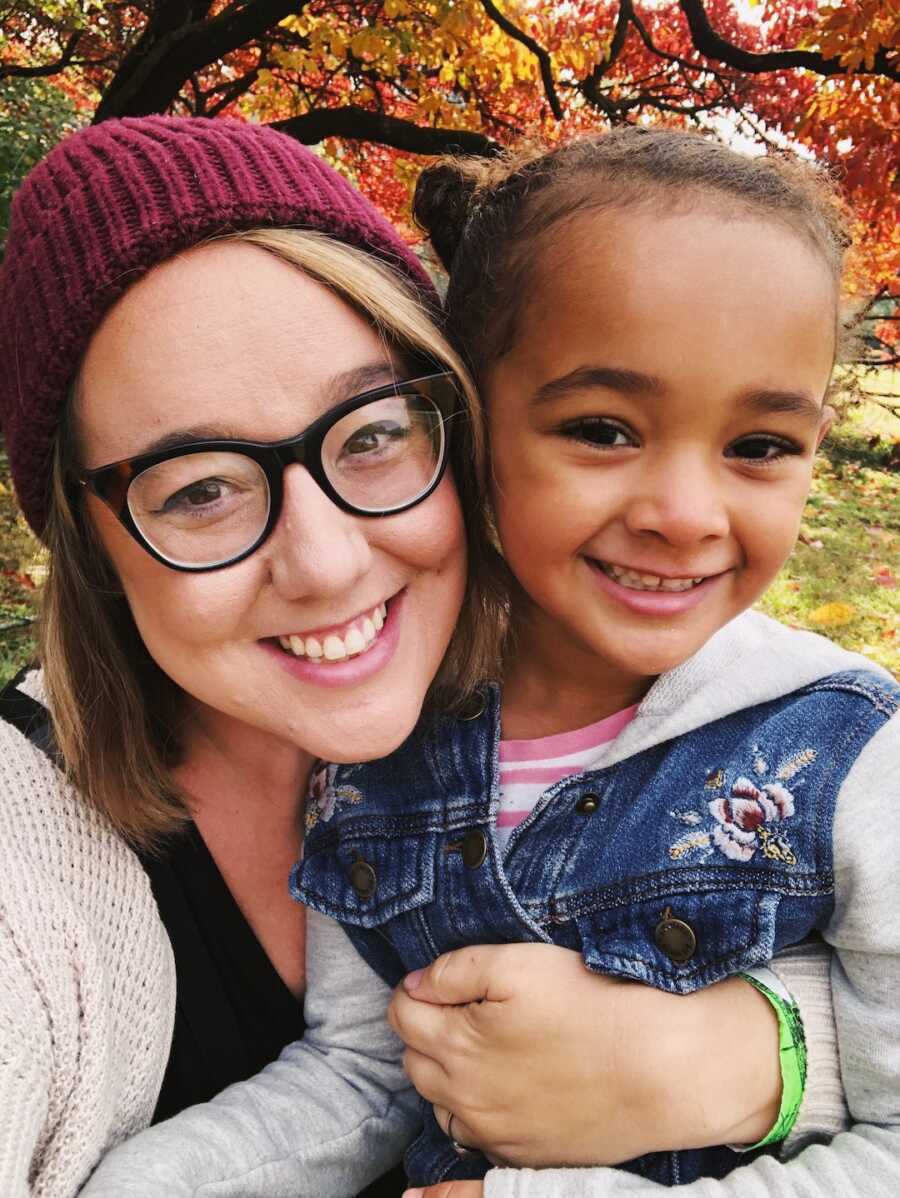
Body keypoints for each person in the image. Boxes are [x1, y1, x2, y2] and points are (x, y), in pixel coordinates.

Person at [58, 125, 855, 1198]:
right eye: (604, 429)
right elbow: (366, 1065)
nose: (682, 514)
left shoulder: (845, 761)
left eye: (759, 446)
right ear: (472, 424)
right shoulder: (383, 754)